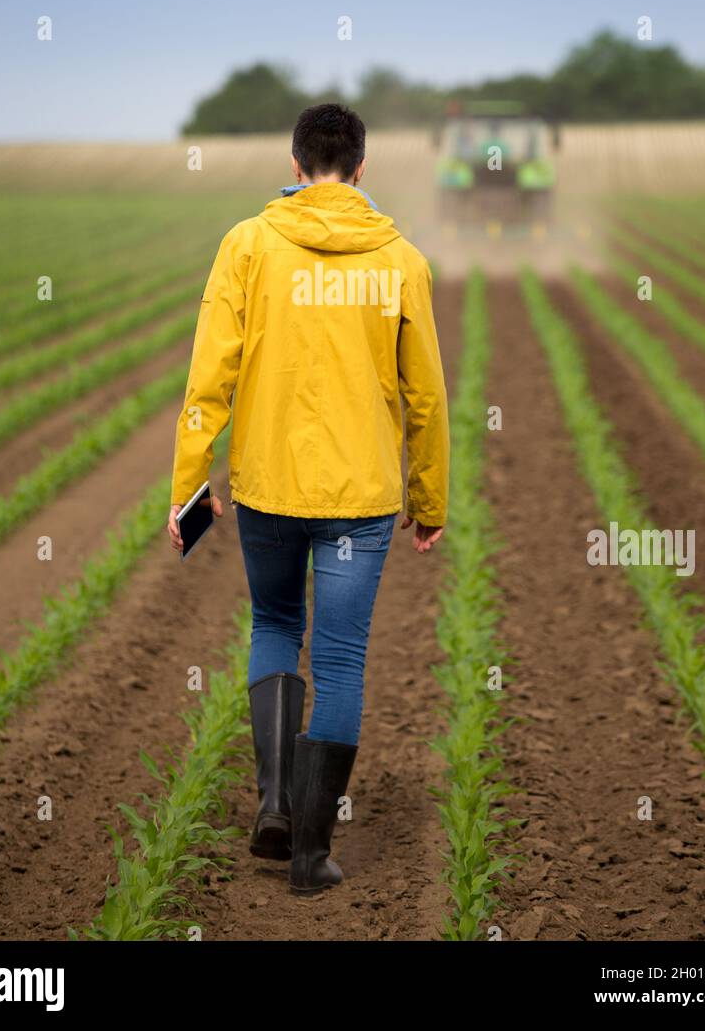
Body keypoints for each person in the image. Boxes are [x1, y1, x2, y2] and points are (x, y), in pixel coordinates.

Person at [167, 102, 449, 896]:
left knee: (276, 626)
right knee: (341, 658)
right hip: (360, 497)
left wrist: (191, 483)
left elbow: (208, 378)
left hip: (267, 486)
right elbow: (425, 396)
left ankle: (275, 804)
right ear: (360, 169)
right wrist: (430, 498)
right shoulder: (401, 260)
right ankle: (311, 857)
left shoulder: (248, 245)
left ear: (295, 166)